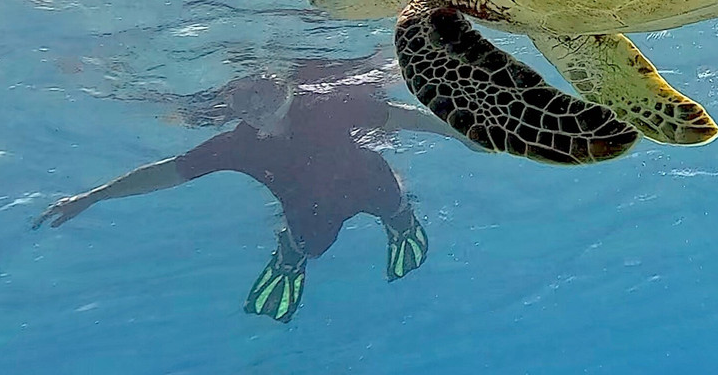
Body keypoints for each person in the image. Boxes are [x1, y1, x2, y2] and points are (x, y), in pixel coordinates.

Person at [35, 55, 479, 323]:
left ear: (287, 87)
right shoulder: (236, 145)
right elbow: (166, 172)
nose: (256, 106)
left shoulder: (329, 107)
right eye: (243, 100)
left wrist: (461, 131)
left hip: (369, 181)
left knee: (394, 206)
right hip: (308, 211)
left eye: (263, 93)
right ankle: (288, 255)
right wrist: (92, 196)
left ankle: (400, 225)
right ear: (230, 105)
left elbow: (406, 117)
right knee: (308, 246)